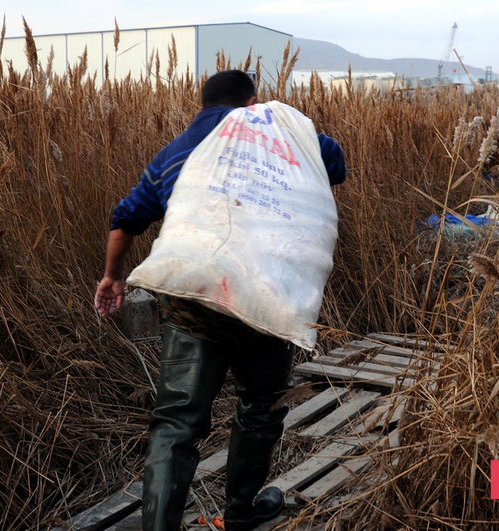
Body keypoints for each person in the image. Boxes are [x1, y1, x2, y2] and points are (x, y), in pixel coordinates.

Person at [95, 70, 346, 531]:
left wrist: (112, 277)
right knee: (260, 405)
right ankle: (240, 514)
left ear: (202, 105)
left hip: (191, 299)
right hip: (263, 298)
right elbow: (332, 162)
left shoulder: (173, 154)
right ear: (253, 104)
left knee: (176, 422)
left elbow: (125, 218)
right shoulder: (283, 137)